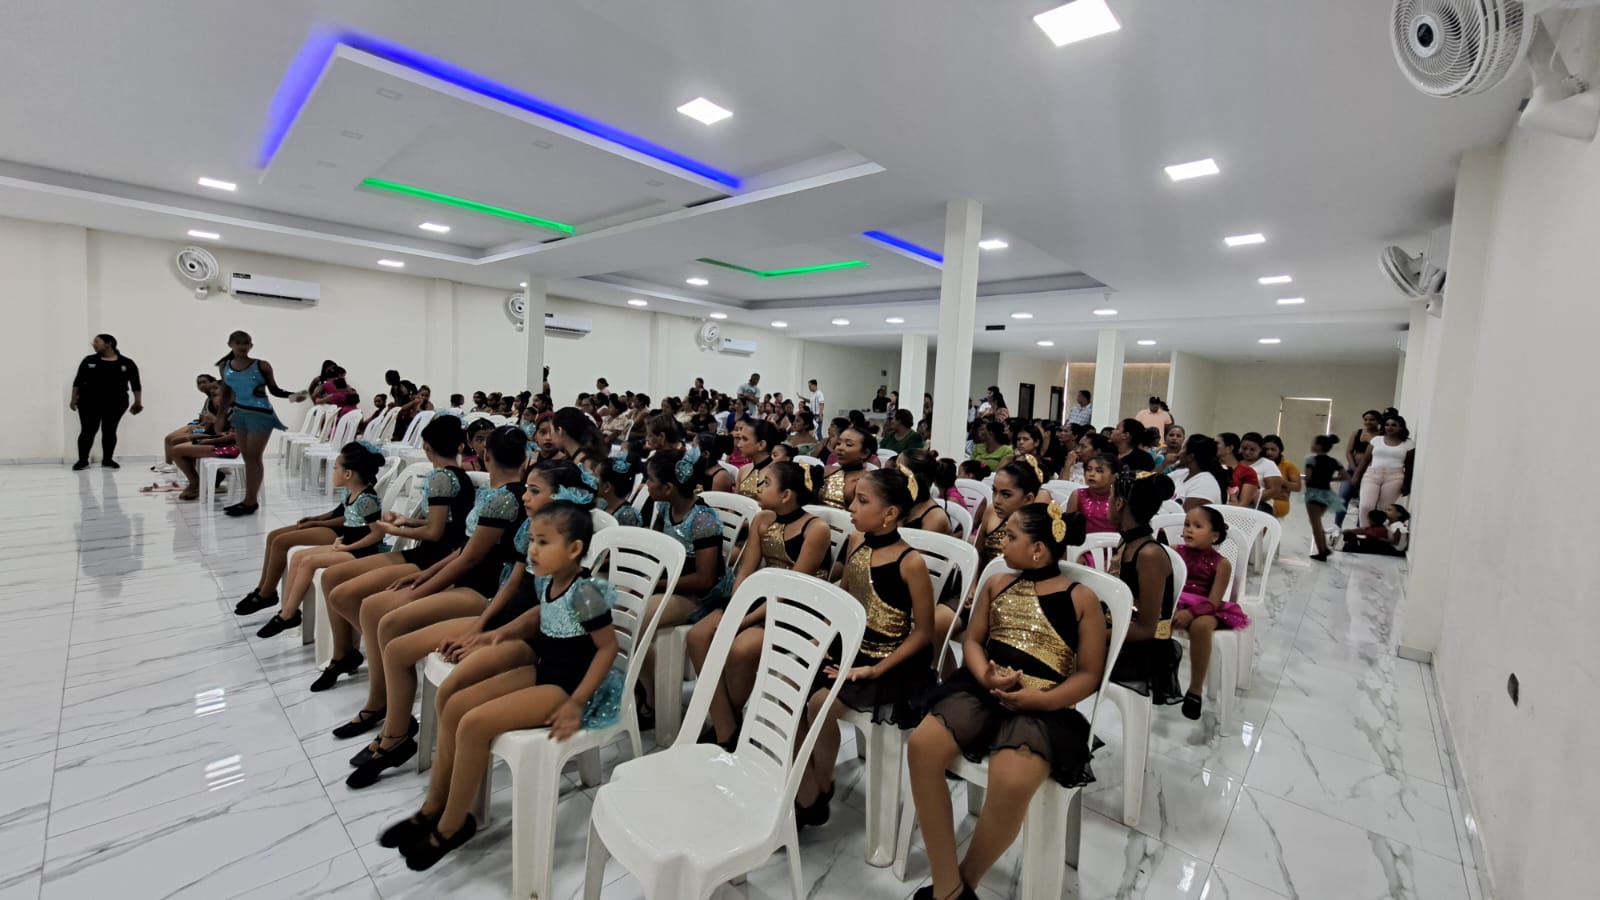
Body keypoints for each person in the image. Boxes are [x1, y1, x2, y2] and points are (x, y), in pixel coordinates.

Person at [381, 501, 623, 870]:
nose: (533, 549)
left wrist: (576, 703)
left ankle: (453, 825)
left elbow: (608, 649)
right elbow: (541, 613)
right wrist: (499, 634)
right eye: (533, 540)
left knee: (474, 724)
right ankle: (433, 806)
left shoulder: (587, 593)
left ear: (574, 549)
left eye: (543, 542)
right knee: (455, 704)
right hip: (545, 669)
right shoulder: (550, 579)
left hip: (568, 688)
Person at [907, 503, 1104, 900]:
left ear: (1038, 550)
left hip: (1044, 704)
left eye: (1011, 537)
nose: (1001, 542)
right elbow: (973, 641)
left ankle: (966, 879)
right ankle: (947, 885)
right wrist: (985, 675)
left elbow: (1089, 674)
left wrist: (1041, 701)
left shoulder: (1081, 598)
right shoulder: (997, 583)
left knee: (1012, 782)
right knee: (922, 747)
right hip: (982, 688)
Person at [331, 428, 530, 783]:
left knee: (391, 622)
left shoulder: (504, 499)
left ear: (485, 455)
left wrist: (423, 587)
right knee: (382, 616)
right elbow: (464, 549)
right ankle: (387, 712)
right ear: (525, 460)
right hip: (470, 578)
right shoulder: (498, 494)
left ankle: (394, 729)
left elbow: (470, 559)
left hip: (483, 591)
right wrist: (426, 576)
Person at [795, 468, 935, 827]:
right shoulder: (857, 540)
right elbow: (846, 595)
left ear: (889, 513)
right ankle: (803, 784)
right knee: (789, 685)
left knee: (820, 703)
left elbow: (923, 633)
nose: (851, 507)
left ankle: (819, 787)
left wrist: (875, 669)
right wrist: (825, 634)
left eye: (862, 501)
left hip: (893, 662)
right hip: (852, 645)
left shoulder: (910, 562)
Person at [311, 418, 476, 691]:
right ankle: (345, 654)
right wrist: (407, 521)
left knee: (342, 594)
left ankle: (376, 652)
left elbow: (436, 532)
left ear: (426, 447)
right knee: (332, 579)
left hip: (434, 558)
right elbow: (446, 525)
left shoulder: (441, 478)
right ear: (460, 446)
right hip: (432, 552)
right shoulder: (457, 477)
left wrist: (393, 529)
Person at [687, 460, 832, 748]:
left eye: (766, 483)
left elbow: (793, 587)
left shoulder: (816, 528)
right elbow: (746, 570)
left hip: (797, 608)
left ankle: (725, 729)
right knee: (697, 636)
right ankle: (727, 723)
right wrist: (738, 605)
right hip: (760, 597)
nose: (757, 487)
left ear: (786, 494)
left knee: (740, 649)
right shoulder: (762, 519)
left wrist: (743, 620)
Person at [637, 447, 734, 722]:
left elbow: (705, 579)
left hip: (701, 595)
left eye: (650, 479)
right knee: (621, 607)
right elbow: (657, 550)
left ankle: (654, 697)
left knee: (638, 619)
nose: (646, 484)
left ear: (668, 488)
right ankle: (642, 683)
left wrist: (656, 585)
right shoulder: (665, 507)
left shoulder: (702, 519)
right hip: (673, 583)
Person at [255, 442, 387, 638]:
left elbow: (377, 534)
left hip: (361, 552)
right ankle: (287, 611)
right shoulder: (352, 493)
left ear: (347, 474)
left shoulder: (367, 499)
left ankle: (287, 615)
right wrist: (335, 535)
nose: (333, 471)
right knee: (298, 557)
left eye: (335, 468)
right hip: (347, 545)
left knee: (309, 562)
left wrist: (348, 547)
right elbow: (351, 522)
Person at [1110, 473, 1183, 706]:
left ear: (1119, 504)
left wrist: (1093, 631)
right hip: (1122, 629)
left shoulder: (1149, 554)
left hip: (1142, 649)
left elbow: (1147, 629)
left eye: (1110, 498)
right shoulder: (1127, 541)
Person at [217, 330, 307, 516]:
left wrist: (292, 395)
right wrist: (221, 417)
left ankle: (250, 501)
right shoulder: (224, 366)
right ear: (230, 345)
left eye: (246, 343)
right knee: (247, 457)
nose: (242, 346)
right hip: (240, 413)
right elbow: (226, 393)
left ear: (251, 345)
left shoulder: (261, 365)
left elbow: (274, 390)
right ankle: (249, 500)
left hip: (260, 414)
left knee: (254, 456)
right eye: (238, 343)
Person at [1173, 507, 1245, 720]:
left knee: (1202, 626)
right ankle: (1158, 677)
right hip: (1176, 603)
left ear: (1214, 536)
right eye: (1187, 524)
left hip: (1204, 607)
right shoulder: (1174, 552)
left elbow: (1213, 602)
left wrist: (1191, 613)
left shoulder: (1222, 564)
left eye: (1197, 526)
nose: (1189, 530)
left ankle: (1195, 689)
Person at [70, 334, 144, 470]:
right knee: (88, 430)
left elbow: (135, 383)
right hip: (89, 401)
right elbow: (78, 380)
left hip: (116, 402)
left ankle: (108, 459)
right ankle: (82, 460)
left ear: (108, 343)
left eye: (97, 342)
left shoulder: (127, 363)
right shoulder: (89, 360)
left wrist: (137, 401)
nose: (93, 344)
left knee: (110, 430)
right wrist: (74, 398)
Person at [165, 383, 238, 500]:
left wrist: (208, 439)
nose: (213, 396)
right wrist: (203, 430)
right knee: (174, 441)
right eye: (213, 396)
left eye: (216, 394)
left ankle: (196, 482)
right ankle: (198, 480)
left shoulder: (236, 411)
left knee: (177, 450)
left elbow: (232, 436)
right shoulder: (215, 408)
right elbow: (213, 429)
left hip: (229, 447)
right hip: (215, 439)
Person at [974, 460, 1043, 573]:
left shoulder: (1039, 526)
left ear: (1028, 499)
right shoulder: (991, 512)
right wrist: (976, 582)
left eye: (1006, 494)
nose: (996, 500)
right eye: (994, 491)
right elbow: (978, 555)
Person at [1355, 413, 1414, 525]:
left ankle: (1379, 532)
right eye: (1387, 425)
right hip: (1372, 475)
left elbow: (1409, 466)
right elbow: (1365, 460)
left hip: (1395, 477)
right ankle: (1364, 531)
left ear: (1401, 427)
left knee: (1383, 509)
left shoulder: (1408, 443)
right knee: (1365, 506)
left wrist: (1407, 483)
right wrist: (1356, 476)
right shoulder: (1376, 440)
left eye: (1394, 425)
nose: (1389, 427)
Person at [158, 373, 219, 470]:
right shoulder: (208, 400)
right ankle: (169, 463)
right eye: (199, 383)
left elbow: (217, 423)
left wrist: (203, 425)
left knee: (174, 439)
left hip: (209, 431)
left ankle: (175, 464)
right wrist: (200, 424)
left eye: (204, 382)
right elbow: (205, 419)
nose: (201, 385)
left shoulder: (219, 400)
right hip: (200, 425)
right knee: (169, 438)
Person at [1337, 410, 1384, 528]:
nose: (1368, 422)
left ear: (1378, 421)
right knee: (1342, 497)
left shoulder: (1382, 436)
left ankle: (1360, 529)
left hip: (1370, 472)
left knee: (1364, 503)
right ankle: (1336, 526)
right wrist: (1354, 468)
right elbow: (1349, 452)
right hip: (1352, 470)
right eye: (1366, 419)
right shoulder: (1357, 433)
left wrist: (1371, 440)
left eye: (1372, 419)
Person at [1303, 434, 1345, 561]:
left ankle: (1323, 551)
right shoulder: (1335, 461)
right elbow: (1344, 476)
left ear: (1319, 446)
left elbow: (1308, 478)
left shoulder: (1311, 460)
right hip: (1327, 494)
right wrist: (1329, 478)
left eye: (1313, 443)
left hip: (1313, 494)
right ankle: (1323, 548)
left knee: (1315, 524)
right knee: (1317, 522)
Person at [899, 449, 954, 535]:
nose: (891, 474)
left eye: (899, 470)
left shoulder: (935, 518)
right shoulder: (904, 501)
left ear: (915, 479)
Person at [820, 424, 875, 509]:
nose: (840, 448)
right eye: (838, 443)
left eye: (849, 444)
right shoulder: (827, 470)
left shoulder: (867, 481)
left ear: (865, 453)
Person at [1065, 453, 1116, 539]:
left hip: (1115, 544)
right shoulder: (1077, 495)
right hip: (1085, 545)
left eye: (1099, 471)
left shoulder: (1119, 498)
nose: (1091, 474)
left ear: (1114, 477)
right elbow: (1068, 529)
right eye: (1088, 470)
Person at [1175, 434, 1229, 511]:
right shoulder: (1181, 473)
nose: (1179, 453)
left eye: (1183, 448)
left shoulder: (1205, 484)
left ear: (1190, 456)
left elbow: (1184, 516)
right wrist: (1165, 464)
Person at [1239, 432, 1285, 515]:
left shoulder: (1268, 464)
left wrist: (1248, 499)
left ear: (1260, 449)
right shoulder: (1236, 463)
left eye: (1252, 449)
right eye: (1244, 448)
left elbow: (1274, 490)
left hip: (1260, 504)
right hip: (1236, 502)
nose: (1247, 452)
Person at [731, 418, 777, 499]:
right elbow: (736, 502)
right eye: (740, 438)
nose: (739, 444)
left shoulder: (777, 475)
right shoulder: (743, 470)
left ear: (761, 445)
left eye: (745, 439)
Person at [1342, 505, 1410, 555]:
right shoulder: (1388, 524)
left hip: (1396, 550)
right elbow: (1367, 529)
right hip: (1389, 545)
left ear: (1398, 514)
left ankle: (1349, 547)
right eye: (1386, 510)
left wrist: (1380, 539)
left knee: (1369, 545)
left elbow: (1395, 542)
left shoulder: (1399, 526)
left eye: (1389, 510)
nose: (1386, 512)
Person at [1261, 435, 1301, 519]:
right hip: (1260, 499)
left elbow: (1297, 487)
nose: (1269, 452)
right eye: (1266, 449)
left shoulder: (1288, 465)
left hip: (1279, 502)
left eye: (1273, 449)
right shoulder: (1259, 463)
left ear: (1280, 449)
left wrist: (1282, 481)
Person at [1216, 432, 1260, 507]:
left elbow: (1243, 505)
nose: (1212, 445)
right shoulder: (1210, 467)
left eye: (1217, 443)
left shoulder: (1248, 472)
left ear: (1229, 448)